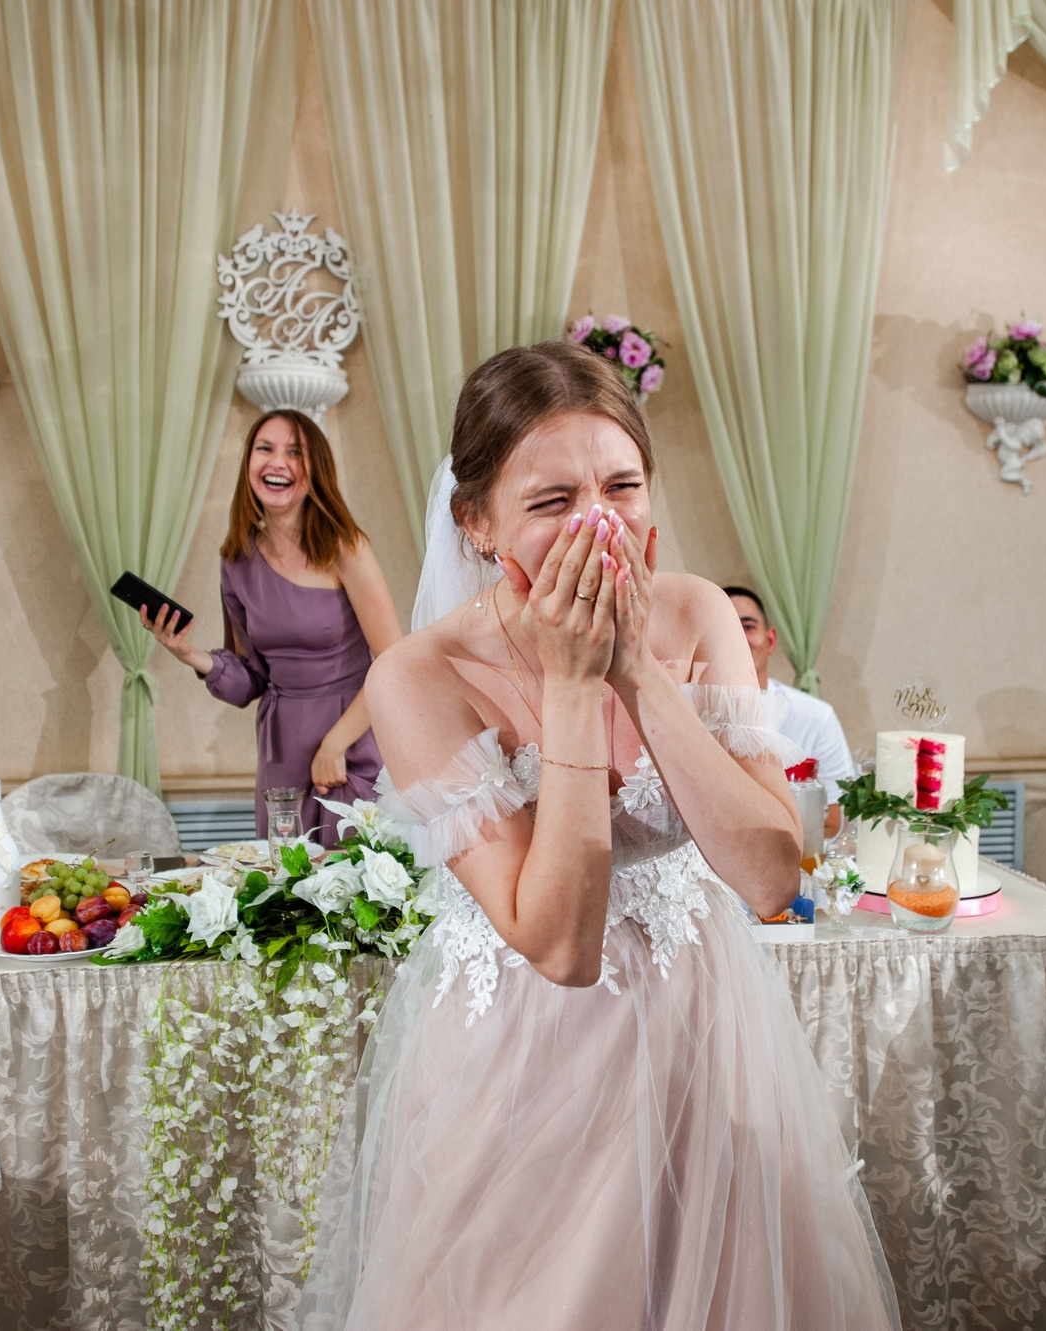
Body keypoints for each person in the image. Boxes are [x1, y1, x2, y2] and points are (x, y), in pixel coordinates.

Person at [298, 341, 898, 1329]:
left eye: (620, 486)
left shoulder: (697, 608)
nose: (596, 523)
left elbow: (763, 874)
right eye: (549, 501)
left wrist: (636, 670)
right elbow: (559, 943)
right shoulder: (415, 677)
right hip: (522, 1049)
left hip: (701, 1026)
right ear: (475, 522)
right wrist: (574, 688)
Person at [142, 409, 400, 844]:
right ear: (249, 465)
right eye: (265, 449)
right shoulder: (236, 562)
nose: (277, 462)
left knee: (355, 893)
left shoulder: (345, 546)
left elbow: (394, 662)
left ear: (315, 468)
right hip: (281, 751)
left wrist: (335, 745)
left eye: (294, 452)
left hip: (352, 742)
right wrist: (189, 654)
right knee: (286, 893)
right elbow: (249, 680)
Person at [726, 586, 858, 836]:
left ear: (771, 640)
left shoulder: (816, 718)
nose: (737, 637)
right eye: (726, 627)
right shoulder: (688, 714)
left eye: (748, 626)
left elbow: (835, 820)